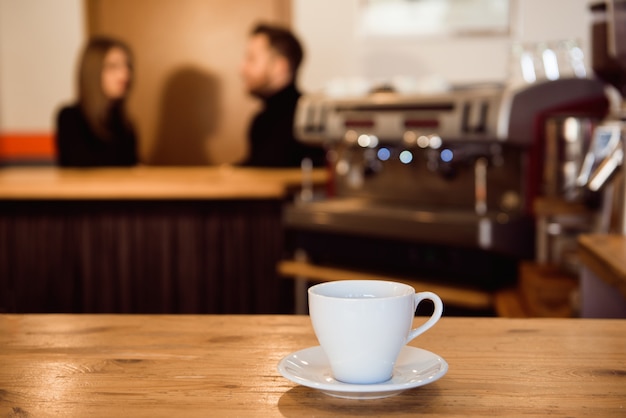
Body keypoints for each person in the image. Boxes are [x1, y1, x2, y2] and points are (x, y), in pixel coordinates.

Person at [240, 23, 325, 167]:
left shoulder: (309, 119)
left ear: (280, 67)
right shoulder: (262, 119)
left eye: (251, 59)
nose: (242, 68)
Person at [55, 36, 138, 167]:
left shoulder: (125, 124)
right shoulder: (70, 118)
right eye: (113, 66)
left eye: (127, 66)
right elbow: (79, 169)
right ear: (94, 72)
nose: (125, 74)